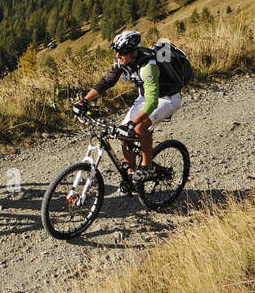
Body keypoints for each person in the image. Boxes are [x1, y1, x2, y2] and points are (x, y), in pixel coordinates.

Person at [73, 30, 183, 181]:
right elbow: (107, 81)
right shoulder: (122, 61)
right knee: (123, 135)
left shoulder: (148, 67)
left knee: (139, 127)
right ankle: (130, 174)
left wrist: (132, 123)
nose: (118, 56)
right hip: (145, 97)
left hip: (167, 98)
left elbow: (152, 102)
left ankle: (147, 167)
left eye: (122, 53)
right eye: (117, 52)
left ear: (134, 52)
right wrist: (84, 101)